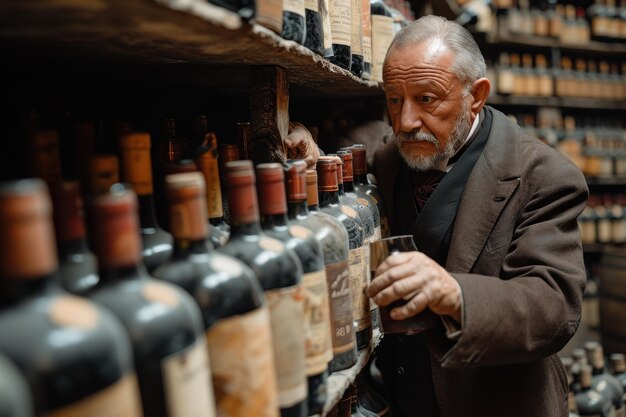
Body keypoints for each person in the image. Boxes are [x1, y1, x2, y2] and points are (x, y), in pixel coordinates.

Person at [365, 15, 588, 417]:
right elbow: (365, 139)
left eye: (427, 99)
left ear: (476, 95)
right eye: (394, 100)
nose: (405, 121)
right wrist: (313, 148)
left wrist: (456, 294)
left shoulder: (544, 175)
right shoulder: (391, 158)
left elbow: (553, 305)